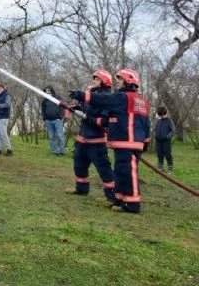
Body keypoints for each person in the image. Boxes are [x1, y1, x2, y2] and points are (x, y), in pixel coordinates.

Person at [70, 68, 151, 213]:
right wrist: (146, 141)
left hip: (128, 141)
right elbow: (146, 123)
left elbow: (103, 100)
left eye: (120, 79)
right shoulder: (141, 101)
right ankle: (119, 200)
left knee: (128, 172)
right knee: (120, 171)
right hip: (126, 142)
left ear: (128, 81)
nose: (118, 82)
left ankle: (132, 204)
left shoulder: (123, 97)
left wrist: (82, 95)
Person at [65, 70, 115, 205]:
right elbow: (84, 106)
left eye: (97, 79)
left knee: (103, 168)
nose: (94, 81)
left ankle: (111, 195)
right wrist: (75, 107)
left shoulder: (106, 98)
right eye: (94, 79)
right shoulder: (92, 93)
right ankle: (81, 189)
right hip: (83, 138)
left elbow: (105, 120)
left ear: (104, 81)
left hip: (96, 140)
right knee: (79, 164)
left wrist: (91, 119)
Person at [41, 86, 66, 155]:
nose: (47, 92)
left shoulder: (58, 98)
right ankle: (54, 151)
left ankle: (62, 151)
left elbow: (62, 108)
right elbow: (42, 110)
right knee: (51, 137)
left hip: (57, 120)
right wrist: (44, 118)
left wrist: (60, 117)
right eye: (46, 91)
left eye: (48, 90)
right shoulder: (44, 100)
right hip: (48, 121)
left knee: (60, 135)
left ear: (52, 90)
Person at [154, 105, 176, 174]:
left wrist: (167, 137)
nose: (162, 116)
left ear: (165, 113)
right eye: (160, 115)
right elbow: (155, 129)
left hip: (166, 142)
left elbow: (173, 131)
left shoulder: (169, 120)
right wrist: (156, 135)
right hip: (158, 141)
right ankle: (160, 168)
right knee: (159, 154)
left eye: (163, 114)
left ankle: (170, 169)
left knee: (167, 154)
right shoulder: (158, 121)